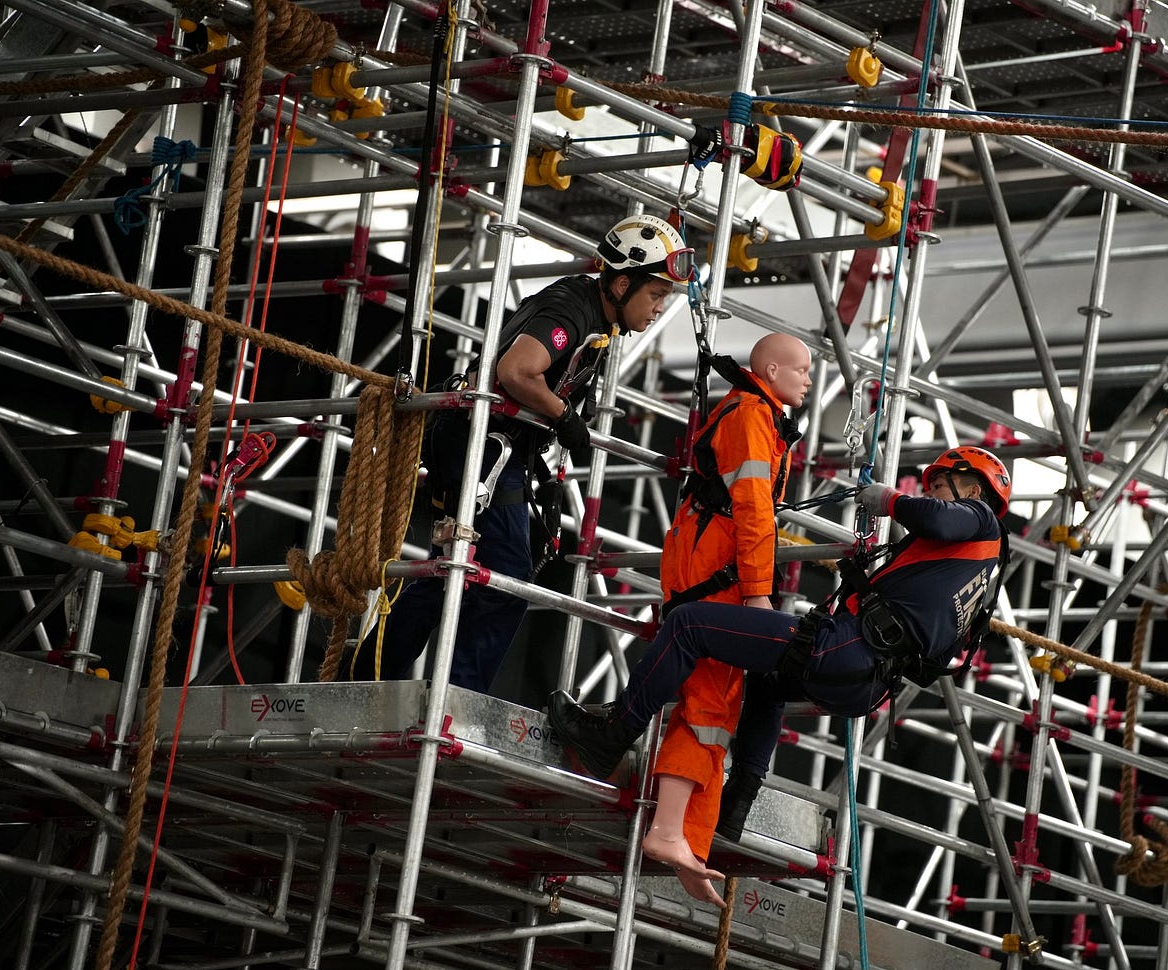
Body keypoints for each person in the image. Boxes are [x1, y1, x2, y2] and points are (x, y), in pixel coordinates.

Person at [548, 446, 1011, 872]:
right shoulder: (972, 568)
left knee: (688, 625)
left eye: (938, 484)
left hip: (849, 648)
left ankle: (611, 735)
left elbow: (941, 519)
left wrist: (890, 499)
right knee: (767, 687)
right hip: (866, 679)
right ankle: (738, 802)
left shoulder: (978, 522)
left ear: (972, 489)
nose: (928, 492)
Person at [346, 214, 694, 691]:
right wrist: (563, 416)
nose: (658, 309)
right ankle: (457, 700)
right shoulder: (571, 309)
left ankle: (370, 674)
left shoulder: (595, 318)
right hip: (484, 443)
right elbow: (516, 372)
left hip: (489, 445)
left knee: (450, 570)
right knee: (504, 576)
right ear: (620, 281)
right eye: (656, 294)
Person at [644, 333, 811, 905]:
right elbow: (753, 506)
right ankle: (669, 830)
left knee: (718, 709)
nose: (809, 377)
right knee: (710, 703)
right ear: (770, 369)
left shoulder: (756, 413)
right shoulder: (749, 414)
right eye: (801, 367)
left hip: (715, 570)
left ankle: (688, 836)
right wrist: (760, 594)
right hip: (716, 574)